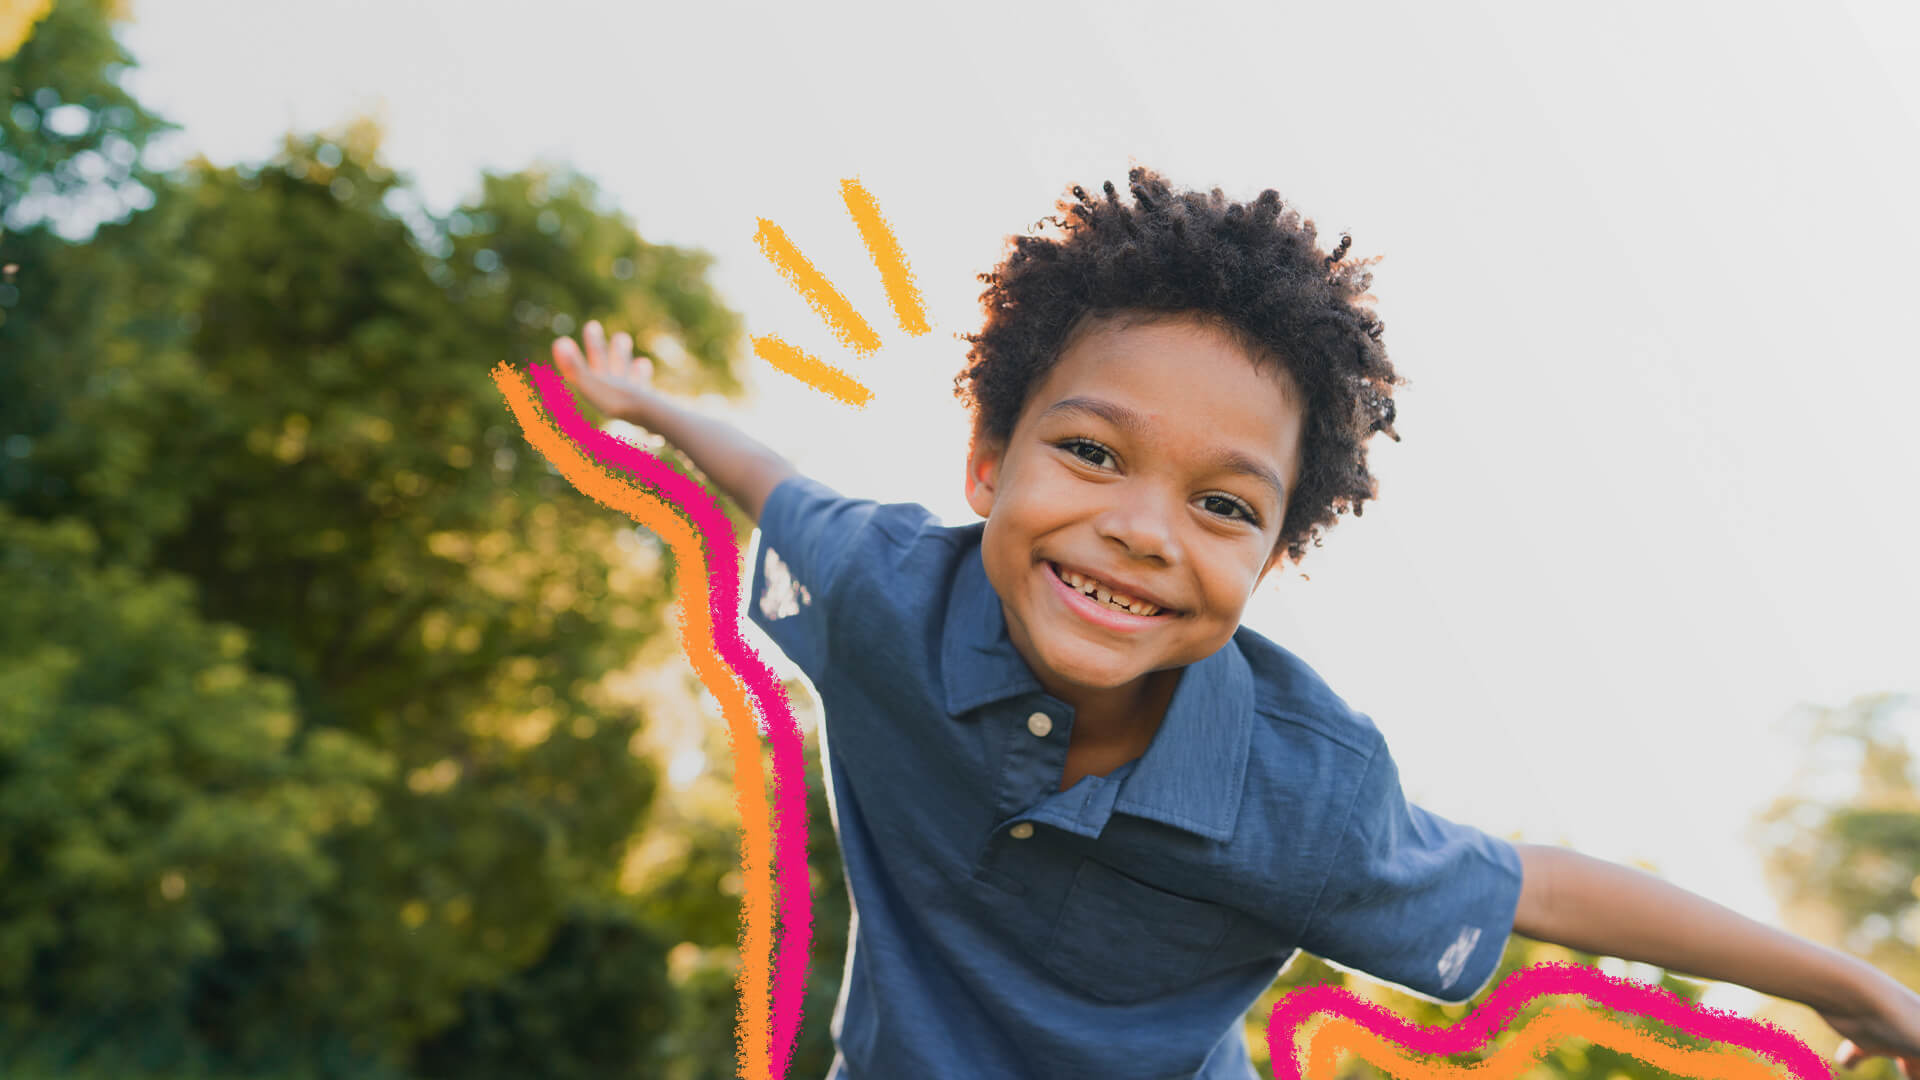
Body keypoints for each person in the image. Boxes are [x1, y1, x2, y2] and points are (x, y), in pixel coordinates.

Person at [553, 167, 1920, 1080]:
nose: (1146, 528)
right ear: (987, 462)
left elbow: (1538, 888)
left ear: (1272, 557)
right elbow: (773, 482)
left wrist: (1844, 984)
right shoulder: (884, 589)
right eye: (1092, 454)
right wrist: (645, 406)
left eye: (1221, 505)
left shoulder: (1301, 793)